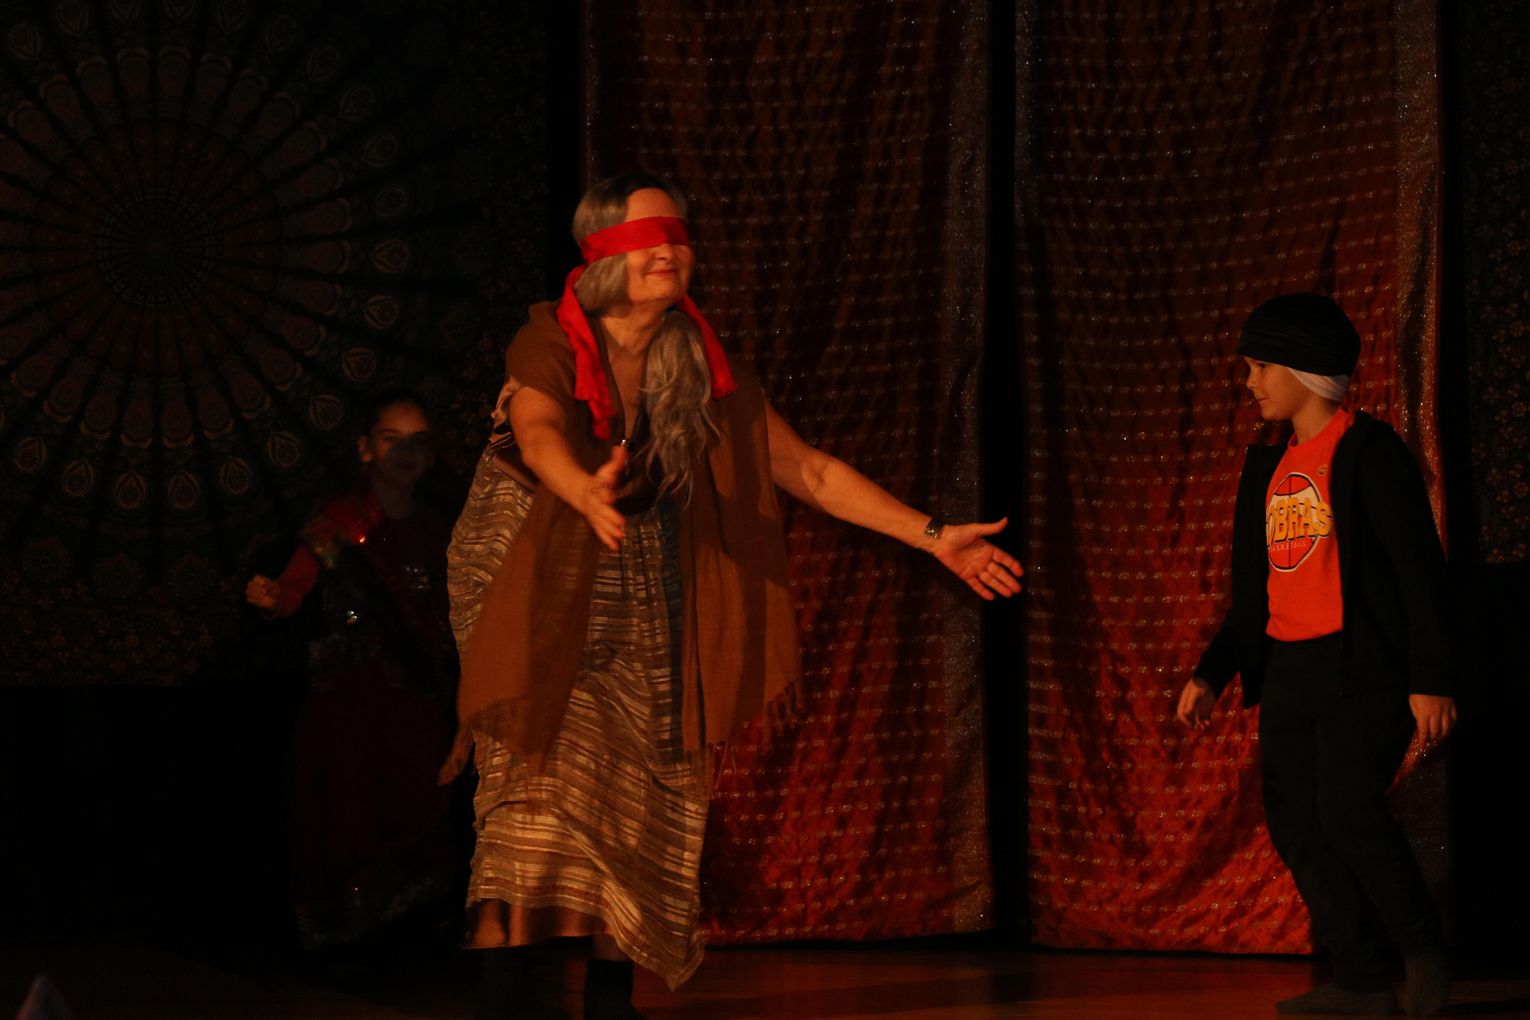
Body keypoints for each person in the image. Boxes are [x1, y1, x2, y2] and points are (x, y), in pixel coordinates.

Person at [444, 173, 1024, 1020]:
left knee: (645, 763)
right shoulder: (552, 336)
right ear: (600, 254)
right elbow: (535, 432)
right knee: (535, 761)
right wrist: (580, 488)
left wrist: (934, 536)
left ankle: (610, 998)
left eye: (678, 236)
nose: (668, 250)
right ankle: (503, 998)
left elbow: (808, 471)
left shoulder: (699, 359)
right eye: (646, 238)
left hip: (635, 553)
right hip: (526, 549)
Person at [1176, 293, 1456, 1017]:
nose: (1251, 383)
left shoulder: (1368, 451)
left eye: (1261, 366)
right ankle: (1360, 979)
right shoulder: (1267, 468)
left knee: (1347, 810)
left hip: (1359, 669)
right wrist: (1211, 672)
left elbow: (1419, 572)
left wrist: (1430, 677)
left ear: (1303, 367)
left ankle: (1423, 951)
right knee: (1296, 822)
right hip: (1289, 669)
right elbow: (1256, 591)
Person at [246, 389, 460, 951]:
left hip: (415, 701)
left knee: (417, 805)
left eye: (419, 442)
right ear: (365, 449)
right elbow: (293, 590)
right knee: (347, 812)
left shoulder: (443, 529)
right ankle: (349, 940)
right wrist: (272, 598)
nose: (406, 453)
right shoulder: (337, 525)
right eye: (392, 439)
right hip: (348, 702)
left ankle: (410, 934)